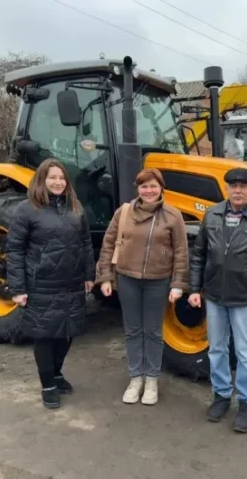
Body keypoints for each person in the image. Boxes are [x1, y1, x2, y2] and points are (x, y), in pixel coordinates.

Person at [188, 167, 247, 433]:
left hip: (246, 299)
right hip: (215, 298)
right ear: (226, 188)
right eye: (233, 186)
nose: (238, 190)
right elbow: (199, 254)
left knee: (245, 353)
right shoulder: (213, 214)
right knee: (216, 349)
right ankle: (220, 395)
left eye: (244, 185)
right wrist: (195, 288)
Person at [5, 158, 96, 410]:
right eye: (52, 177)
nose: (57, 182)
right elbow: (14, 250)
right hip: (41, 285)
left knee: (66, 333)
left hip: (72, 283)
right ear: (42, 181)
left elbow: (86, 243)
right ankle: (47, 384)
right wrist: (18, 288)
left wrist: (90, 275)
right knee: (44, 336)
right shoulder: (27, 209)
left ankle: (56, 373)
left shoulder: (76, 208)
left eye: (61, 178)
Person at [96, 168, 189, 406]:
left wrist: (178, 283)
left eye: (153, 186)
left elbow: (181, 252)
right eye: (144, 186)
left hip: (159, 281)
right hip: (127, 279)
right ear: (138, 189)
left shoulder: (173, 215)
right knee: (133, 330)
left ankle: (152, 380)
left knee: (153, 332)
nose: (149, 191)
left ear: (161, 188)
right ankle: (136, 378)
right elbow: (108, 244)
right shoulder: (124, 213)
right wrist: (105, 277)